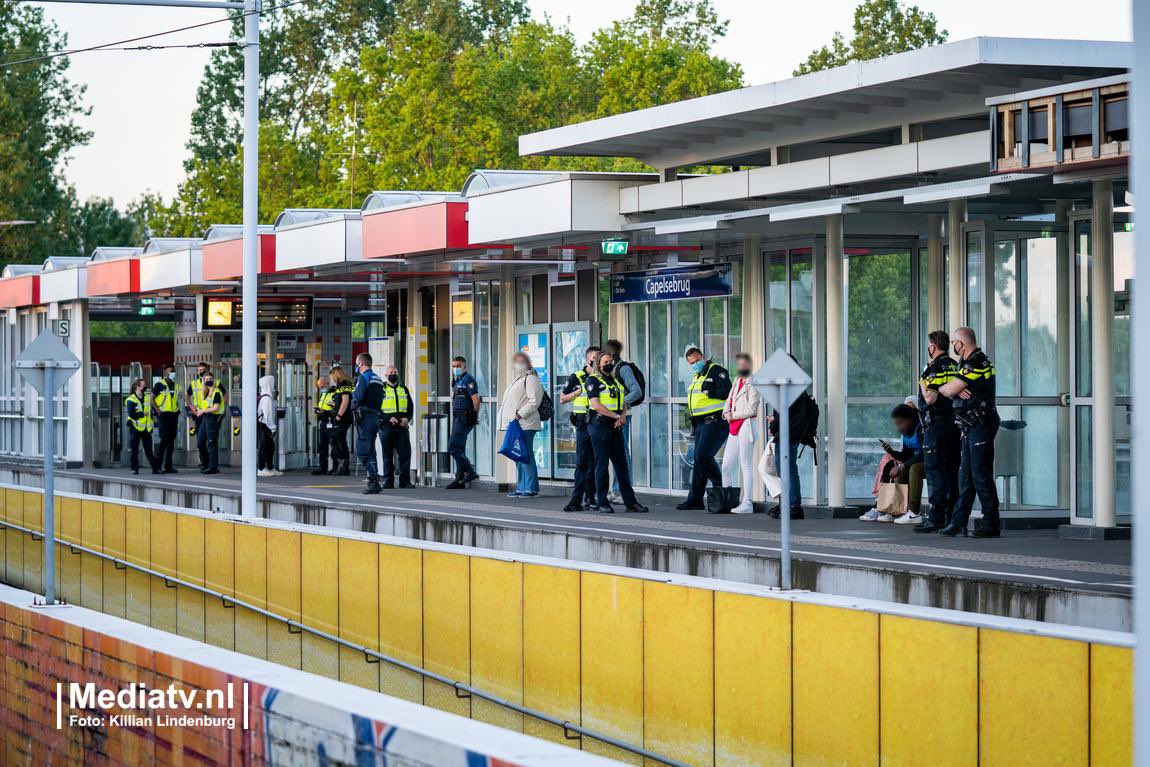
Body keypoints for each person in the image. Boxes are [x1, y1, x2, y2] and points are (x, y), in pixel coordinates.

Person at [938, 326, 1000, 537]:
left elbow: (948, 390)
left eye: (954, 343)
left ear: (960, 343)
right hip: (970, 426)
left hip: (981, 425)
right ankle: (958, 522)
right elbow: (950, 389)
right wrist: (953, 388)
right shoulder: (967, 362)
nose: (953, 347)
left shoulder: (976, 362)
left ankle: (991, 523)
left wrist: (951, 389)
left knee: (980, 475)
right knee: (965, 476)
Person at [584, 351, 648, 514]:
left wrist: (623, 416)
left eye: (611, 361)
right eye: (605, 362)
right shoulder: (593, 380)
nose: (609, 364)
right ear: (598, 364)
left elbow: (623, 401)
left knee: (622, 465)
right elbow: (596, 405)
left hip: (615, 426)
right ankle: (603, 502)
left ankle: (631, 503)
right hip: (600, 426)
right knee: (602, 465)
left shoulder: (614, 381)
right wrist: (616, 416)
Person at [913, 330, 961, 533]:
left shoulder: (934, 368)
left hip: (936, 427)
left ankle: (936, 518)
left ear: (933, 347)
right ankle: (952, 518)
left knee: (935, 472)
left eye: (929, 345)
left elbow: (930, 398)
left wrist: (923, 383)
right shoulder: (955, 365)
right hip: (954, 427)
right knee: (952, 472)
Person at [676, 346, 731, 511]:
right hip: (700, 424)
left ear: (703, 357)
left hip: (715, 422)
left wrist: (711, 392)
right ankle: (695, 499)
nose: (695, 365)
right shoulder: (698, 375)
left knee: (702, 456)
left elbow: (727, 391)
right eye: (691, 363)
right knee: (699, 460)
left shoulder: (716, 370)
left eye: (697, 361)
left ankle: (721, 487)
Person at [766, 356, 815, 520]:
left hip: (789, 434)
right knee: (784, 470)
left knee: (788, 470)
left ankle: (794, 505)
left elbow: (784, 412)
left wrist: (773, 427)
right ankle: (787, 504)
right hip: (787, 433)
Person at [860, 404, 925, 522]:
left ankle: (914, 511)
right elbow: (906, 455)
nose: (898, 428)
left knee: (914, 469)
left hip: (929, 461)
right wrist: (891, 452)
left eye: (900, 423)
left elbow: (922, 455)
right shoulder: (906, 433)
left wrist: (901, 466)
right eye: (896, 424)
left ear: (909, 420)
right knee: (898, 470)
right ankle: (895, 509)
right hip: (915, 461)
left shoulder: (921, 429)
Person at [560, 345, 600, 512]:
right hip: (583, 423)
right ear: (587, 359)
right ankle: (577, 498)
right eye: (593, 359)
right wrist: (578, 392)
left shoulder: (602, 378)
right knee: (582, 462)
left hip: (598, 423)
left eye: (598, 359)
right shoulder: (576, 377)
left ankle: (591, 497)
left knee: (595, 462)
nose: (596, 362)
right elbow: (563, 398)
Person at [498, 352, 543, 498]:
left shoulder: (531, 379)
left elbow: (534, 401)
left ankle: (531, 488)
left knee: (525, 454)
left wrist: (519, 414)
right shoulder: (518, 379)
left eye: (521, 362)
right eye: (516, 362)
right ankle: (522, 486)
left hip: (525, 423)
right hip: (516, 424)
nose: (518, 365)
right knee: (518, 455)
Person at [604, 339, 643, 504]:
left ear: (613, 353)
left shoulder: (623, 369)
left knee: (623, 454)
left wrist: (620, 402)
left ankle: (623, 491)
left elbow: (636, 391)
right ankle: (616, 489)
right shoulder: (610, 370)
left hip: (623, 416)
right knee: (616, 453)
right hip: (612, 416)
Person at [721, 353, 759, 514]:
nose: (741, 367)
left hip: (747, 425)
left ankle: (747, 503)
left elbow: (752, 409)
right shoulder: (737, 380)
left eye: (744, 364)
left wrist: (733, 415)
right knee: (725, 466)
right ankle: (727, 501)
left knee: (746, 464)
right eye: (739, 364)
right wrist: (725, 413)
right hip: (734, 425)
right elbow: (729, 399)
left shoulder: (753, 382)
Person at [351, 352, 386, 494]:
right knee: (371, 450)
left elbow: (358, 396)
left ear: (361, 363)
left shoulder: (363, 378)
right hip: (375, 417)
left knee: (363, 450)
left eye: (356, 363)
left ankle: (373, 480)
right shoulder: (378, 379)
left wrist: (353, 394)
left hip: (365, 417)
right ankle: (374, 480)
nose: (356, 366)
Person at [445, 356, 481, 489]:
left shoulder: (468, 380)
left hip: (465, 419)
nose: (456, 368)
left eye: (458, 366)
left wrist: (474, 415)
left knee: (452, 447)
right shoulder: (457, 380)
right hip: (457, 419)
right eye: (454, 366)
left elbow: (476, 399)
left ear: (464, 367)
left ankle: (470, 471)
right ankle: (460, 478)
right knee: (459, 448)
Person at [379, 364, 414, 490]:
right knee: (387, 456)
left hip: (402, 426)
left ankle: (405, 481)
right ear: (386, 375)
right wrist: (388, 418)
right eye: (391, 373)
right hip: (387, 427)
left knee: (405, 455)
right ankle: (388, 481)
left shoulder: (403, 389)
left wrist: (407, 418)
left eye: (395, 372)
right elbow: (377, 408)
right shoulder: (381, 389)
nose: (393, 374)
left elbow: (410, 407)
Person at [125, 378, 160, 475]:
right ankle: (134, 468)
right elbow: (131, 414)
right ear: (138, 387)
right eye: (144, 385)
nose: (145, 387)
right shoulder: (131, 400)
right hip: (135, 427)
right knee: (134, 450)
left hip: (146, 428)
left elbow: (150, 411)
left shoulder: (147, 398)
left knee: (149, 450)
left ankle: (155, 468)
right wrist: (142, 414)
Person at [192, 369, 224, 475]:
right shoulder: (204, 393)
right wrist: (198, 410)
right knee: (200, 442)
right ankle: (206, 464)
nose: (208, 380)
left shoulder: (216, 392)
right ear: (203, 381)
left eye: (210, 379)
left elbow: (216, 408)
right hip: (205, 418)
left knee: (211, 442)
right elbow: (204, 405)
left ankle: (213, 467)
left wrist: (202, 411)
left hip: (213, 418)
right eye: (206, 379)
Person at [152, 363, 180, 474]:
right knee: (164, 439)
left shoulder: (175, 385)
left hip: (173, 415)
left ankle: (168, 466)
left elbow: (175, 399)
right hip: (163, 415)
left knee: (171, 441)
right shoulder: (159, 384)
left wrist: (178, 410)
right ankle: (158, 465)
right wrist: (158, 411)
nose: (173, 373)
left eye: (174, 371)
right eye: (170, 371)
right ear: (165, 372)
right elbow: (152, 399)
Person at [328, 365, 354, 476]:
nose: (331, 379)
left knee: (337, 440)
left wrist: (339, 415)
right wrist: (334, 404)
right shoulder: (341, 385)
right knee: (339, 440)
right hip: (342, 416)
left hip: (343, 417)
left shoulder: (344, 384)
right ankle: (343, 465)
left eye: (332, 376)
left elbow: (346, 401)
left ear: (336, 374)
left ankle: (344, 464)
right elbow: (342, 401)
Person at [256, 374, 281, 477]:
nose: (274, 386)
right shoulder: (267, 399)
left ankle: (270, 467)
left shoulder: (266, 397)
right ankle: (261, 468)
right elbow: (268, 415)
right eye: (272, 383)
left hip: (264, 425)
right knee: (265, 447)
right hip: (265, 425)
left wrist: (275, 399)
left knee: (270, 447)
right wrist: (273, 428)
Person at [312, 374, 335, 475]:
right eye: (319, 387)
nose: (320, 388)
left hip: (331, 421)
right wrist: (318, 410)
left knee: (334, 445)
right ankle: (323, 467)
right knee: (322, 446)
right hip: (323, 421)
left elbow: (336, 408)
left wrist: (324, 412)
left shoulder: (334, 393)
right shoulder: (324, 394)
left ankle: (334, 467)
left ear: (327, 383)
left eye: (322, 386)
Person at [185, 362, 210, 440]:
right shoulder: (194, 383)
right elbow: (187, 396)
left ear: (208, 370)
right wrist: (192, 407)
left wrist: (219, 408)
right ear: (197, 372)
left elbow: (225, 395)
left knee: (210, 436)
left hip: (210, 412)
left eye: (204, 369)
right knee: (200, 437)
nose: (202, 371)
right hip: (198, 413)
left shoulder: (214, 382)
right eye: (200, 370)